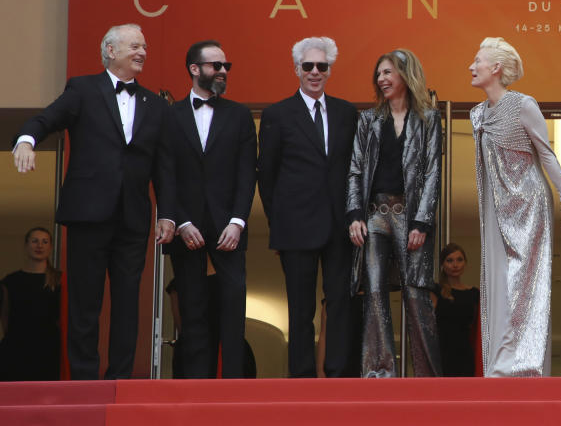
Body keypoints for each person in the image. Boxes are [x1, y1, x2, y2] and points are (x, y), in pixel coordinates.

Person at [11, 23, 174, 380]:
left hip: (133, 218)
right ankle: (84, 379)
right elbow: (47, 118)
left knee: (128, 303)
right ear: (111, 50)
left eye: (144, 46)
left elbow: (163, 165)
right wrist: (26, 139)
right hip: (88, 213)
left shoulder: (156, 105)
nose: (142, 51)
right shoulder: (83, 89)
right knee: (85, 301)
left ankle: (119, 378)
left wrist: (169, 214)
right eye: (134, 45)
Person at [257, 36, 358, 378]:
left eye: (322, 66)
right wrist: (278, 222)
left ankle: (338, 373)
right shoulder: (277, 114)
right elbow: (266, 175)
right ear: (297, 69)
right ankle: (300, 377)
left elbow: (354, 169)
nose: (315, 72)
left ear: (330, 70)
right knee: (300, 309)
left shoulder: (347, 113)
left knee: (340, 302)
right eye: (308, 66)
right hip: (295, 226)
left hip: (339, 227)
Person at [469, 37, 561, 377]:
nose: (471, 66)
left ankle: (526, 365)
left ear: (495, 68)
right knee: (497, 282)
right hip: (496, 210)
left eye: (477, 61)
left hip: (529, 206)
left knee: (525, 282)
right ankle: (500, 364)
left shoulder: (524, 105)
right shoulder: (477, 114)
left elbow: (546, 155)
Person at [161, 40, 257, 378]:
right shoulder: (168, 116)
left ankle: (232, 392)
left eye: (225, 66)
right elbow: (165, 173)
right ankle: (193, 392)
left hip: (229, 227)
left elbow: (248, 172)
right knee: (192, 309)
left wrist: (237, 222)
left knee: (233, 311)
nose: (222, 71)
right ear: (194, 69)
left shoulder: (240, 115)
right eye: (216, 65)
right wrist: (181, 221)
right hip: (186, 228)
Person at [346, 49, 442, 378]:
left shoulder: (429, 118)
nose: (382, 79)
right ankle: (378, 373)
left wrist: (422, 222)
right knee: (374, 293)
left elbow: (432, 173)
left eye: (388, 72)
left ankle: (428, 377)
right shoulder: (368, 120)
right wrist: (355, 214)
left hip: (409, 215)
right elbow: (356, 171)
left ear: (405, 75)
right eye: (379, 74)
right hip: (374, 215)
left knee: (417, 294)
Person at [0, 227, 62, 381]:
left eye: (44, 242)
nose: (39, 245)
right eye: (35, 241)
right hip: (16, 350)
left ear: (50, 247)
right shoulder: (10, 281)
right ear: (26, 245)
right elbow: (5, 317)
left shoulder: (60, 281)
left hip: (49, 350)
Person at [432, 243, 481, 377]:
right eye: (450, 260)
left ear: (465, 263)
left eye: (459, 260)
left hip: (466, 353)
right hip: (441, 353)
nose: (455, 265)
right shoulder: (435, 290)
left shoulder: (474, 293)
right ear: (442, 264)